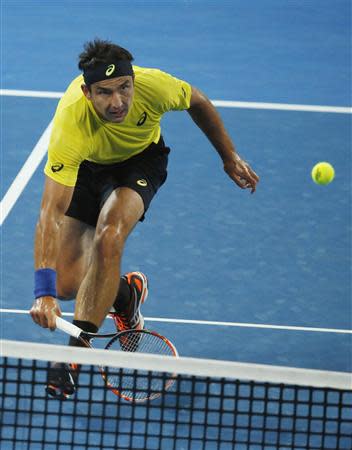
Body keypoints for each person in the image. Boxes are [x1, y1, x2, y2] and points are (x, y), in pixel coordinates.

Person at [30, 39, 259, 399]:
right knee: (66, 285)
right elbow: (50, 212)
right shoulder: (70, 125)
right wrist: (44, 293)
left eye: (124, 88)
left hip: (140, 163)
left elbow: (197, 101)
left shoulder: (155, 86)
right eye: (105, 92)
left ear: (134, 80)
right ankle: (125, 294)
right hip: (89, 169)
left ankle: (71, 359)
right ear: (87, 92)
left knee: (110, 235)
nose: (118, 101)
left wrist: (228, 156)